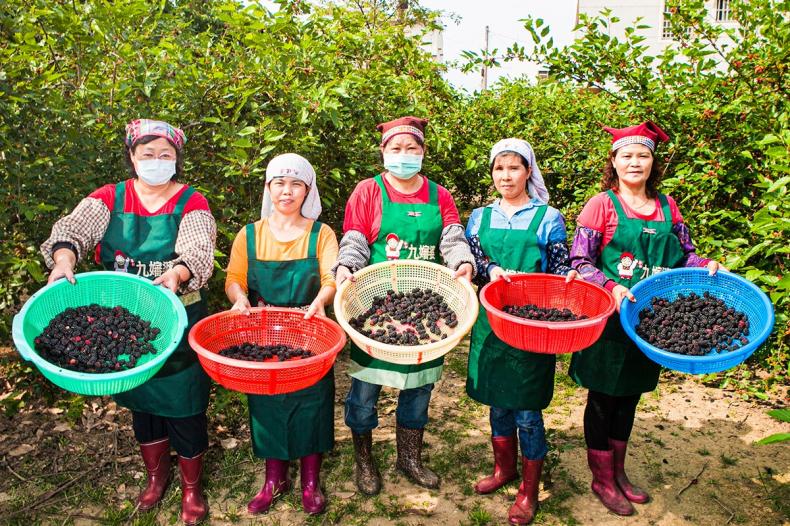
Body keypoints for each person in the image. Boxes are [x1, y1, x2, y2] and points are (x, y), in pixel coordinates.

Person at [41, 119, 216, 525]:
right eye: (147, 154)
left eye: (165, 155)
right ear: (132, 157)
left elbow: (198, 249)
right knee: (142, 404)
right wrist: (64, 259)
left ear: (177, 160)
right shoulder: (109, 198)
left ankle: (191, 487)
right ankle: (156, 477)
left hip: (177, 321)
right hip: (126, 323)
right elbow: (72, 230)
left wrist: (178, 273)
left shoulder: (191, 201)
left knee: (186, 405)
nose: (156, 161)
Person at [568, 121, 724, 516]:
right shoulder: (602, 205)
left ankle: (618, 471)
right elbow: (580, 261)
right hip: (608, 318)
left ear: (653, 163)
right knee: (602, 397)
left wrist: (706, 264)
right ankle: (601, 478)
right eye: (627, 156)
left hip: (652, 322)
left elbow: (686, 255)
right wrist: (610, 286)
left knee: (630, 396)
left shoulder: (668, 207)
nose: (635, 162)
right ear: (614, 161)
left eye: (643, 155)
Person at [333, 116, 475, 495]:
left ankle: (409, 458)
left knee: (419, 388)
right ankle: (364, 459)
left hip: (425, 313)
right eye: (396, 148)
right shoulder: (368, 191)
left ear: (423, 151)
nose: (404, 154)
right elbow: (355, 239)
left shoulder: (439, 195)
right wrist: (346, 267)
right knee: (364, 392)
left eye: (412, 148)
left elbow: (452, 238)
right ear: (383, 151)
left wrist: (462, 262)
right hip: (377, 310)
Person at [465, 139, 577, 525]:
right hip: (492, 321)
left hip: (532, 323)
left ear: (529, 171)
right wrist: (490, 269)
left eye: (514, 168)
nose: (506, 176)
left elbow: (559, 266)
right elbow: (475, 258)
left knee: (527, 410)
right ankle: (504, 469)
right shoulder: (479, 216)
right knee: (498, 401)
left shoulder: (548, 217)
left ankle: (529, 490)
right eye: (499, 168)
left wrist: (570, 275)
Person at [224, 153, 339, 516]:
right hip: (264, 336)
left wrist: (322, 300)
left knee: (312, 402)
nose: (287, 191)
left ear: (308, 190)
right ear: (268, 188)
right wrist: (239, 298)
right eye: (279, 183)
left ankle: (310, 481)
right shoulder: (250, 235)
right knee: (267, 404)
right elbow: (234, 279)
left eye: (295, 184)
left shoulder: (321, 234)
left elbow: (331, 278)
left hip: (309, 333)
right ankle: (274, 479)